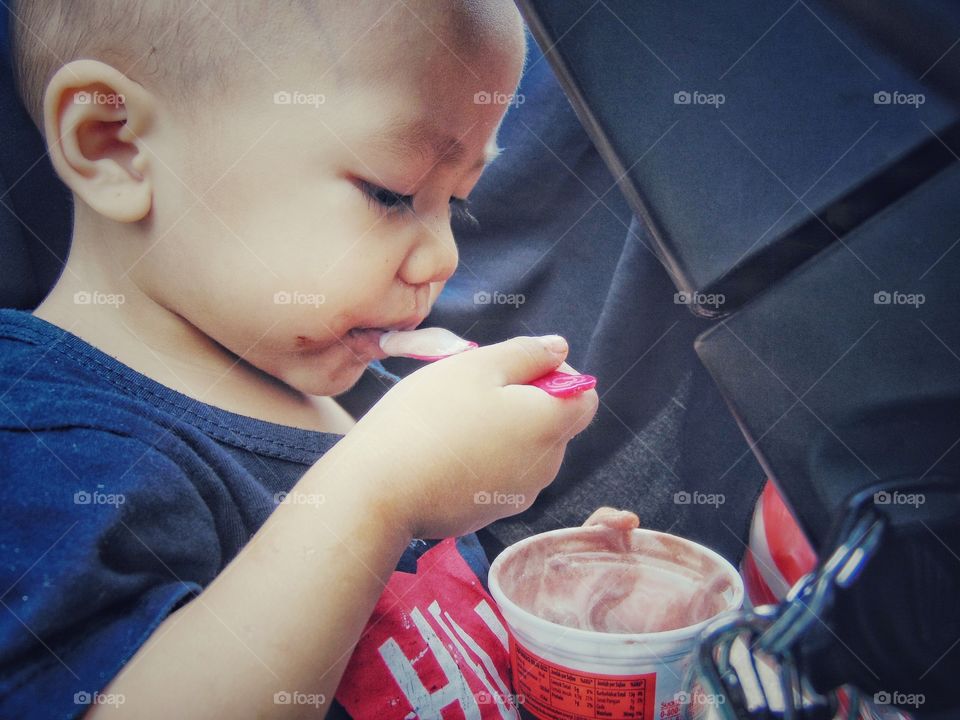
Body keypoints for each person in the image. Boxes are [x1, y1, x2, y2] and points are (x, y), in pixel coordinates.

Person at [0, 1, 633, 717]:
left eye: (456, 202)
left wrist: (545, 589)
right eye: (392, 194)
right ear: (113, 144)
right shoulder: (44, 440)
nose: (443, 257)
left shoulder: (365, 391)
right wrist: (382, 490)